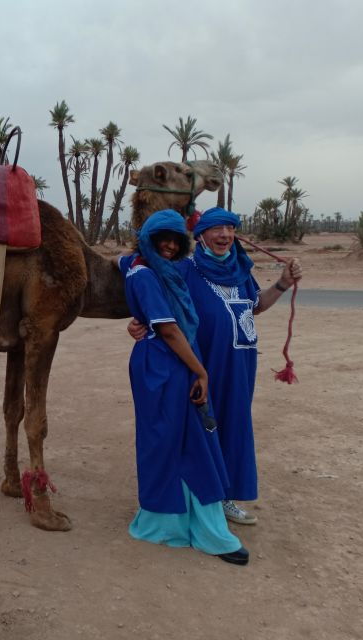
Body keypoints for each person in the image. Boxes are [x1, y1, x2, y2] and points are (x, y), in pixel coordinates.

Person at [128, 207, 303, 525]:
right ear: (201, 236)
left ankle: (227, 496)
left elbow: (254, 307)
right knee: (206, 427)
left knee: (235, 423)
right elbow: (158, 300)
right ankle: (203, 499)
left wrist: (282, 284)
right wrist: (139, 323)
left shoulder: (240, 271)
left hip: (240, 363)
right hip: (204, 364)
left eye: (230, 229)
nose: (224, 235)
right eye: (216, 229)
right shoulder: (185, 269)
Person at [119, 209, 248, 566]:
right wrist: (202, 372)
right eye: (164, 238)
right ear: (149, 238)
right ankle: (204, 531)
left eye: (177, 240)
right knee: (185, 439)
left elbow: (123, 261)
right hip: (165, 363)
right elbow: (170, 329)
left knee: (175, 439)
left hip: (166, 362)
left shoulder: (144, 267)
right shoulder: (145, 275)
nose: (171, 247)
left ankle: (178, 522)